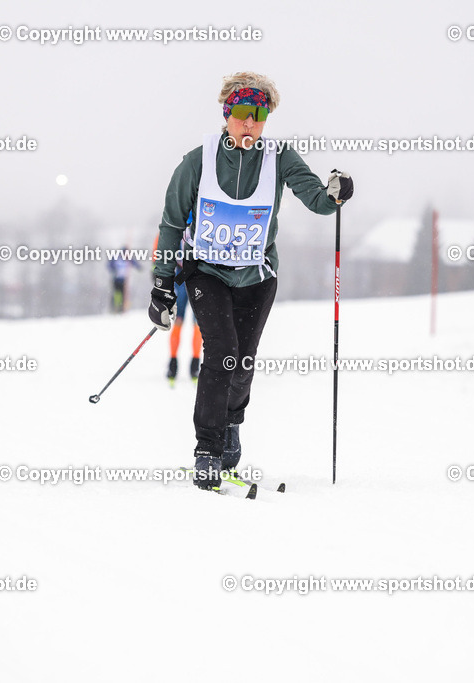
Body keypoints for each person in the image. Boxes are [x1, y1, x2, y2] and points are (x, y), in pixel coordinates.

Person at [149, 72, 354, 490]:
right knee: (222, 351)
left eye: (259, 115)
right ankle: (207, 449)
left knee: (243, 362)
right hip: (206, 271)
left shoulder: (279, 157)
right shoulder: (198, 160)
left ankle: (231, 428)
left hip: (257, 276)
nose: (250, 123)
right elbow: (172, 223)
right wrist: (162, 284)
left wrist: (335, 194)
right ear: (228, 114)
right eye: (242, 113)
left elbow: (315, 198)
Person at [152, 233, 203, 386]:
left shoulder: (192, 219)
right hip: (181, 274)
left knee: (197, 323)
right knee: (180, 320)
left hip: (197, 275)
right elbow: (159, 247)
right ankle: (173, 363)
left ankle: (194, 364)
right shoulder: (175, 223)